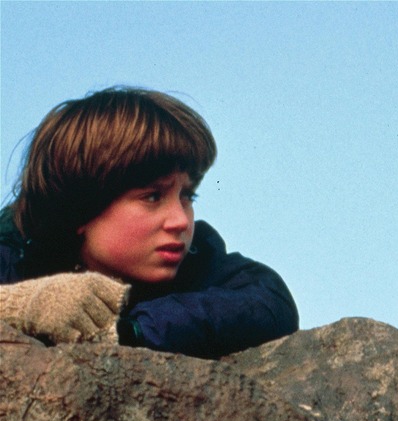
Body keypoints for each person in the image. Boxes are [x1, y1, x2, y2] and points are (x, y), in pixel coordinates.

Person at [0, 86, 299, 359]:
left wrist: (133, 331)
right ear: (80, 208)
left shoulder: (197, 260)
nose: (181, 221)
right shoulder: (14, 253)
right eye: (152, 197)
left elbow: (269, 302)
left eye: (187, 196)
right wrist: (22, 306)